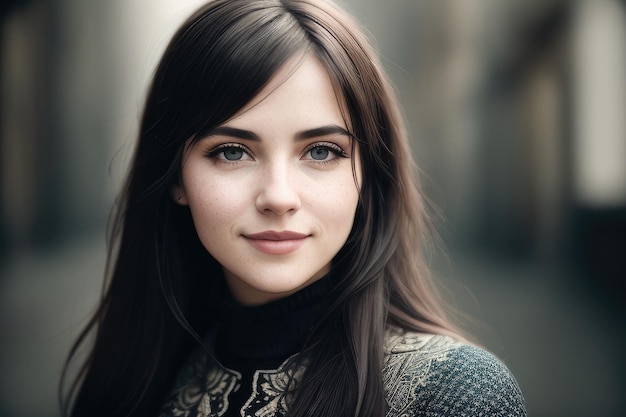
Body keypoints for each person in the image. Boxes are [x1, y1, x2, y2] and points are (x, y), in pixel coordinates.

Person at [61, 0, 526, 416]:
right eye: (231, 151)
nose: (279, 197)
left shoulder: (449, 394)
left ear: (366, 176)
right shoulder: (138, 383)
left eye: (322, 151)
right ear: (175, 178)